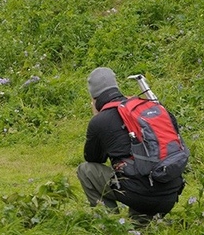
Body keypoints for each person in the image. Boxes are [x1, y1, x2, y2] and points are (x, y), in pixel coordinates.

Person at [77, 67, 185, 222]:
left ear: (94, 98)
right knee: (138, 165)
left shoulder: (100, 121)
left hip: (141, 196)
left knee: (86, 170)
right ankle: (142, 223)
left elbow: (93, 158)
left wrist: (96, 117)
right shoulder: (146, 107)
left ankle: (109, 223)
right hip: (170, 193)